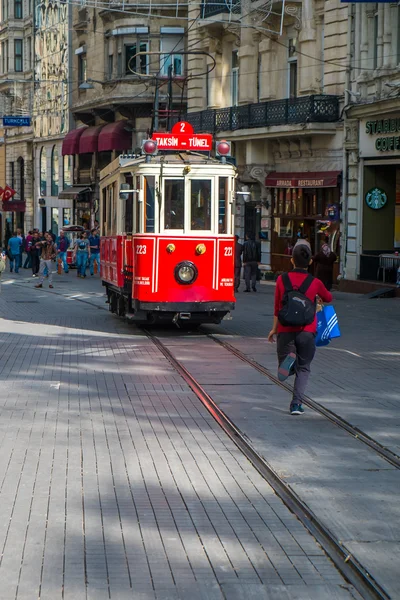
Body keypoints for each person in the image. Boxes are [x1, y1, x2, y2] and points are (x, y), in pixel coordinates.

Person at [267, 243, 333, 416]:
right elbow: (329, 297)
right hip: (307, 331)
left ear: (291, 260)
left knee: (286, 362)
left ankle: (288, 364)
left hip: (285, 329)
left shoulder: (282, 280)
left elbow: (277, 307)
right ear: (310, 261)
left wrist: (273, 329)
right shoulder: (315, 282)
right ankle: (296, 405)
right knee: (304, 368)